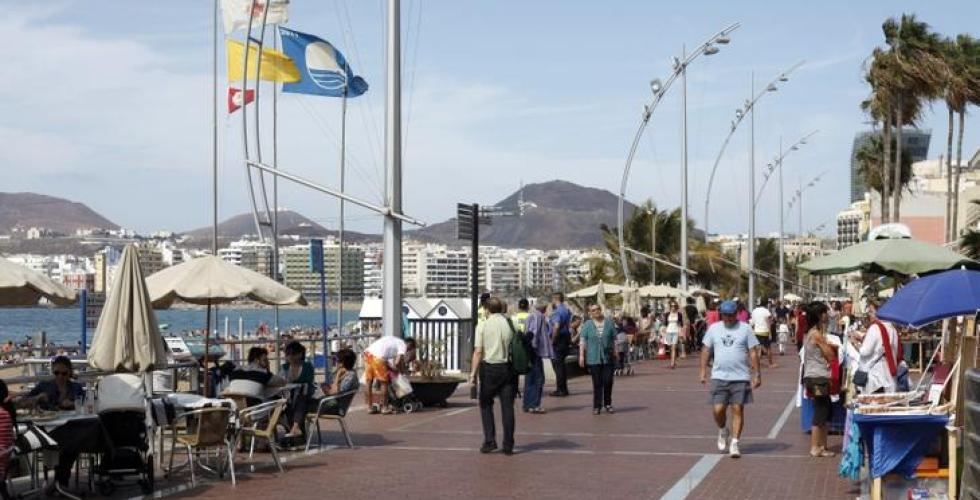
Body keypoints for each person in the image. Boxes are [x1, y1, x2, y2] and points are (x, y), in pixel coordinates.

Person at [699, 300, 761, 459]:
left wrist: (757, 374)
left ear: (736, 314)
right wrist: (702, 371)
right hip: (719, 376)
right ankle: (722, 429)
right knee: (718, 409)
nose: (728, 318)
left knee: (737, 409)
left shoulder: (745, 329)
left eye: (731, 315)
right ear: (721, 315)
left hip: (740, 377)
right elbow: (706, 349)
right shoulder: (714, 329)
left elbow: (753, 352)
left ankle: (734, 443)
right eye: (725, 315)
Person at [469, 297, 516, 455]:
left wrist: (472, 374)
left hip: (490, 368)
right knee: (507, 407)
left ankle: (490, 440)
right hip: (508, 368)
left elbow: (478, 351)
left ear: (487, 309)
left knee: (486, 404)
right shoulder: (510, 323)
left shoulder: (482, 325)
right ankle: (508, 444)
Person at [802, 301, 837, 458]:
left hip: (818, 375)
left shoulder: (814, 333)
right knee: (821, 410)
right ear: (819, 315)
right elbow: (830, 355)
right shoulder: (816, 334)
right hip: (817, 377)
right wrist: (831, 347)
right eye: (824, 312)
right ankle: (815, 447)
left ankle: (822, 445)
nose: (827, 315)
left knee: (826, 409)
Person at [853, 302, 901, 394]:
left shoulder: (875, 328)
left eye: (871, 311)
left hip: (876, 377)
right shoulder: (893, 329)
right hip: (889, 376)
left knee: (873, 405)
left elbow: (865, 351)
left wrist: (855, 343)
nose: (869, 314)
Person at [579, 304, 619, 415]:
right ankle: (597, 406)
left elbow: (615, 339)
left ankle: (608, 403)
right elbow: (582, 340)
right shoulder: (587, 324)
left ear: (601, 310)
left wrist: (616, 351)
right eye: (593, 310)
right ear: (590, 313)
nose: (596, 311)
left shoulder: (609, 323)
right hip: (593, 357)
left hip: (608, 357)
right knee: (597, 383)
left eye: (597, 309)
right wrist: (581, 356)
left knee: (608, 381)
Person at [363, 336, 417, 414]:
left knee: (369, 382)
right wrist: (402, 372)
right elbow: (398, 362)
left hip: (368, 354)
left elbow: (385, 360)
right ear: (409, 344)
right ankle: (384, 408)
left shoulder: (394, 340)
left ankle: (369, 408)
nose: (407, 351)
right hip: (378, 358)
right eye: (409, 349)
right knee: (384, 383)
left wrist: (393, 369)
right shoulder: (402, 345)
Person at [522, 299, 553, 414]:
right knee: (538, 378)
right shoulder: (539, 317)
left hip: (530, 351)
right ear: (544, 308)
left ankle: (527, 404)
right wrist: (534, 347)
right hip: (535, 351)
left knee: (530, 378)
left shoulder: (530, 316)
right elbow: (534, 333)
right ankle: (534, 404)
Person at [279, 341, 316, 438]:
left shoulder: (307, 366)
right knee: (287, 404)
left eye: (293, 354)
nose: (290, 356)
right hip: (289, 396)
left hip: (305, 395)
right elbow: (281, 382)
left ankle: (295, 428)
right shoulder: (285, 367)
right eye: (288, 354)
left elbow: (308, 381)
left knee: (300, 399)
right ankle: (296, 432)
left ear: (300, 354)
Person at [318, 348, 360, 415]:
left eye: (337, 360)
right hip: (330, 403)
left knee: (303, 406)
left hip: (336, 407)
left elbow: (333, 392)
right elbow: (332, 389)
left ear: (342, 363)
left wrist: (337, 376)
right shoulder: (345, 373)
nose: (336, 362)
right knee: (303, 404)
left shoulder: (350, 376)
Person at [549, 292, 572, 397]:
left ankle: (560, 389)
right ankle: (564, 388)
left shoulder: (557, 312)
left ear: (555, 299)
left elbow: (556, 326)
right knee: (561, 365)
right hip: (566, 338)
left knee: (558, 366)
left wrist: (553, 340)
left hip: (559, 339)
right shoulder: (566, 311)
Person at [750, 299, 775, 368]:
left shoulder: (754, 311)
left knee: (757, 349)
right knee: (768, 348)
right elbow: (768, 322)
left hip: (756, 331)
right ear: (766, 304)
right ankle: (770, 363)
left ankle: (754, 364)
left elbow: (752, 322)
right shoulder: (766, 311)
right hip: (765, 331)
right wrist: (770, 333)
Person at [663, 302, 683, 369]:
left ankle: (672, 363)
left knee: (673, 347)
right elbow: (665, 324)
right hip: (668, 332)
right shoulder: (667, 314)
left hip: (675, 332)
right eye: (672, 306)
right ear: (670, 307)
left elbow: (681, 324)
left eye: (674, 306)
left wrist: (681, 332)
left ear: (676, 307)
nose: (673, 307)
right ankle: (673, 360)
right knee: (670, 347)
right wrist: (663, 332)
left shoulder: (679, 314)